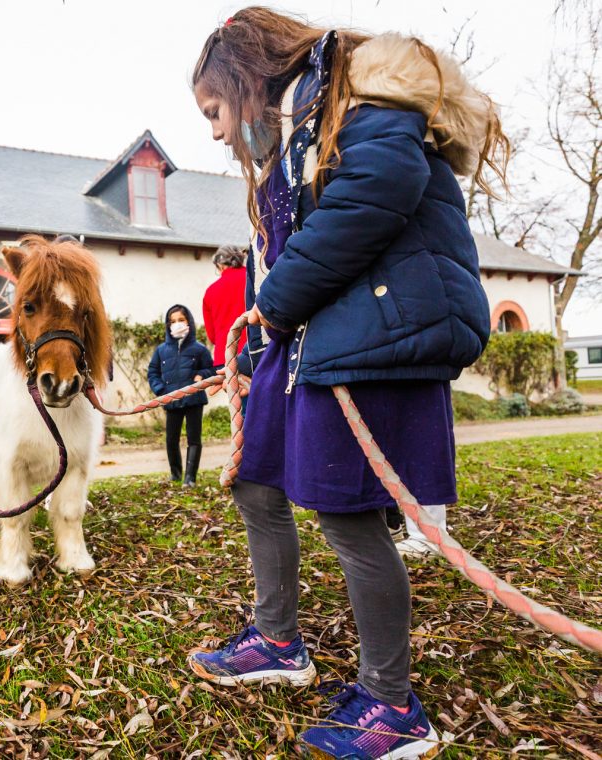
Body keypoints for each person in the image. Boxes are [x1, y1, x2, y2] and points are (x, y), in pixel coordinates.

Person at [185, 8, 507, 758]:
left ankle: (394, 708)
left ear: (246, 81)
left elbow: (373, 197)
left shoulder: (364, 109)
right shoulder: (295, 141)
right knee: (255, 481)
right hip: (305, 342)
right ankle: (276, 640)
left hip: (368, 338)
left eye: (213, 111)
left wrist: (271, 305)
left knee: (349, 517)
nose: (213, 132)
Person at [147, 305, 214, 487]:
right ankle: (175, 474)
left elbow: (210, 368)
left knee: (194, 439)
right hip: (172, 401)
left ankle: (190, 478)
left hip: (194, 400)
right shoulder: (161, 350)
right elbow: (153, 372)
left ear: (189, 322)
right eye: (173, 321)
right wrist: (161, 390)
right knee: (171, 439)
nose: (177, 324)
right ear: (168, 325)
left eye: (181, 320)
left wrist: (202, 376)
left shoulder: (199, 349)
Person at [202, 244, 248, 397]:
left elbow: (212, 336)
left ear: (220, 265)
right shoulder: (252, 279)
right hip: (255, 351)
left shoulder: (211, 291)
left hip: (227, 356)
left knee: (239, 410)